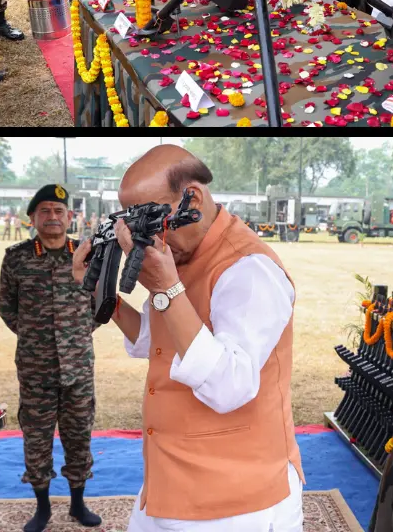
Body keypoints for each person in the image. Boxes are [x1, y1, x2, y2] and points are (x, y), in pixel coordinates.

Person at [69, 146, 303, 531]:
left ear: (192, 196)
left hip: (239, 501)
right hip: (169, 476)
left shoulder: (250, 270)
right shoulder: (178, 260)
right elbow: (154, 339)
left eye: (154, 219)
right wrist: (101, 296)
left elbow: (230, 385)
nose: (151, 238)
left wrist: (166, 288)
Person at [0, 184, 102, 532]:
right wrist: (35, 338)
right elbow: (7, 308)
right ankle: (42, 508)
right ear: (32, 218)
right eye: (45, 211)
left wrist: (74, 336)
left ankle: (77, 505)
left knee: (79, 437)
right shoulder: (17, 257)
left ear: (70, 217)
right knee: (37, 439)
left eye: (59, 211)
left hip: (79, 368)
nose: (53, 217)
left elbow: (100, 307)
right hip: (35, 368)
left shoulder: (87, 255)